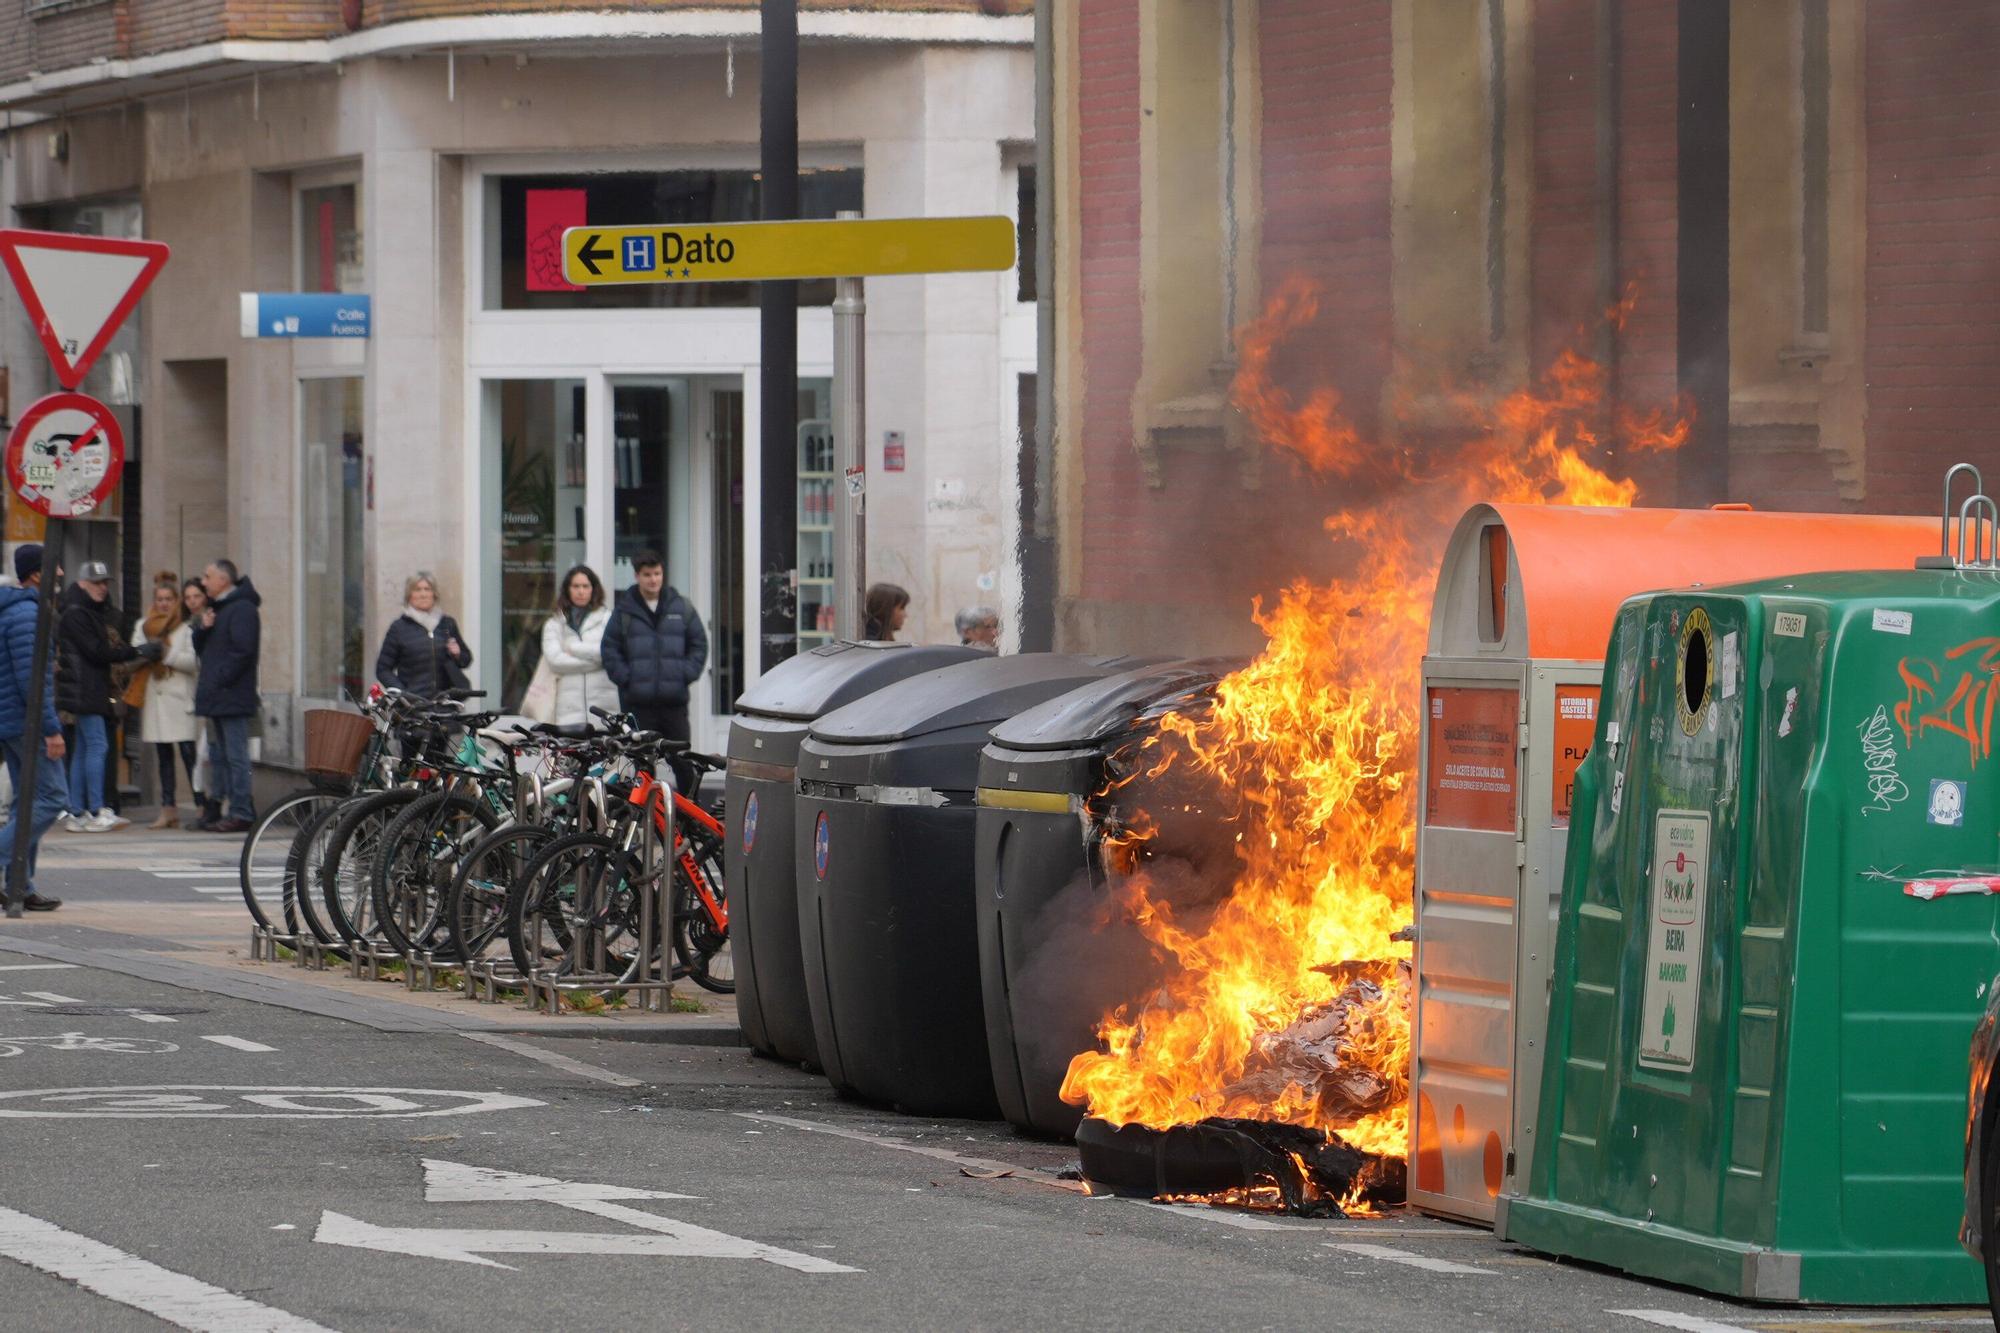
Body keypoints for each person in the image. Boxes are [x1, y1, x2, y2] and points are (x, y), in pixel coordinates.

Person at [57, 561, 160, 833]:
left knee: (82, 749)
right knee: (98, 746)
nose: (102, 588)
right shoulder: (77, 612)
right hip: (86, 690)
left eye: (105, 583)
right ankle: (96, 810)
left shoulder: (81, 610)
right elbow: (97, 652)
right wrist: (137, 651)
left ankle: (78, 811)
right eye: (96, 583)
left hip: (85, 689)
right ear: (82, 583)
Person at [0, 545, 68, 909]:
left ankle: (19, 886)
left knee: (26, 802)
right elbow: (33, 679)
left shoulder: (16, 609)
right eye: (54, 568)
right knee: (53, 797)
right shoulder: (29, 614)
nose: (59, 574)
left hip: (11, 720)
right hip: (25, 722)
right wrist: (51, 728)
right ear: (37, 574)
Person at [600, 550, 707, 745]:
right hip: (638, 704)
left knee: (682, 761)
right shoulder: (624, 611)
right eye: (647, 575)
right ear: (637, 576)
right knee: (643, 765)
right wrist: (627, 679)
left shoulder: (681, 607)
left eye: (657, 574)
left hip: (674, 702)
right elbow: (609, 649)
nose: (653, 580)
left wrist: (684, 674)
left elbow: (698, 644)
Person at [192, 559, 261, 834]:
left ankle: (241, 811)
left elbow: (243, 652)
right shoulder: (217, 609)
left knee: (236, 755)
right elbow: (200, 648)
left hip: (231, 695)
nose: (204, 582)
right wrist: (203, 628)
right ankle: (229, 807)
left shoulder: (242, 609)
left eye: (208, 577)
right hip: (217, 695)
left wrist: (219, 679)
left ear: (223, 580)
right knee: (220, 755)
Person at [128, 574, 201, 829]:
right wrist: (145, 653)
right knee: (163, 757)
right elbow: (134, 653)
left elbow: (194, 662)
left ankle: (201, 805)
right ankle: (168, 809)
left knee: (188, 754)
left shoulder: (186, 627)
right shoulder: (143, 625)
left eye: (169, 599)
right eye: (160, 599)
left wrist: (167, 654)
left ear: (176, 601)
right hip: (156, 698)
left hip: (180, 699)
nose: (164, 604)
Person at [374, 571, 472, 698]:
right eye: (417, 590)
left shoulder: (447, 624)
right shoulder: (399, 628)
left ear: (434, 595)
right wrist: (404, 694)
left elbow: (466, 660)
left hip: (446, 704)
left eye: (427, 589)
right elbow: (383, 669)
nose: (423, 594)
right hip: (413, 708)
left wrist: (458, 654)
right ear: (410, 595)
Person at [540, 564, 615, 729]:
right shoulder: (555, 624)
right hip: (567, 710)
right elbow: (555, 661)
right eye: (576, 586)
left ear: (593, 589)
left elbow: (608, 653)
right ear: (567, 589)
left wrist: (573, 648)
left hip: (603, 708)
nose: (581, 591)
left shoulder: (608, 619)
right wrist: (595, 662)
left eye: (585, 586)